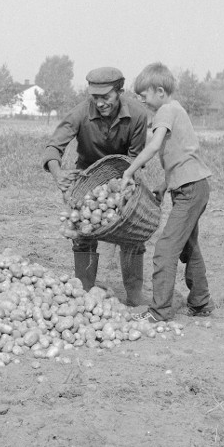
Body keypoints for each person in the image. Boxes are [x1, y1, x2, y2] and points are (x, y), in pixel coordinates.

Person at [42, 66, 150, 304]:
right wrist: (58, 173)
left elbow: (135, 158)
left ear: (120, 91)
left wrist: (124, 188)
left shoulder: (138, 115)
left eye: (106, 97)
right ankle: (85, 290)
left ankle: (134, 293)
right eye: (95, 97)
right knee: (82, 232)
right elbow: (53, 147)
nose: (100, 103)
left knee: (133, 234)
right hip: (87, 179)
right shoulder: (79, 114)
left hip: (124, 178)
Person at [121, 62, 213, 323]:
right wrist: (164, 184)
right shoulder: (176, 109)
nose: (142, 100)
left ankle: (159, 311)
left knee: (165, 249)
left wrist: (129, 171)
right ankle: (200, 301)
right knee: (189, 246)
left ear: (159, 91)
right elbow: (181, 155)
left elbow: (154, 148)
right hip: (193, 185)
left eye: (144, 95)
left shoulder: (165, 111)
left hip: (191, 189)